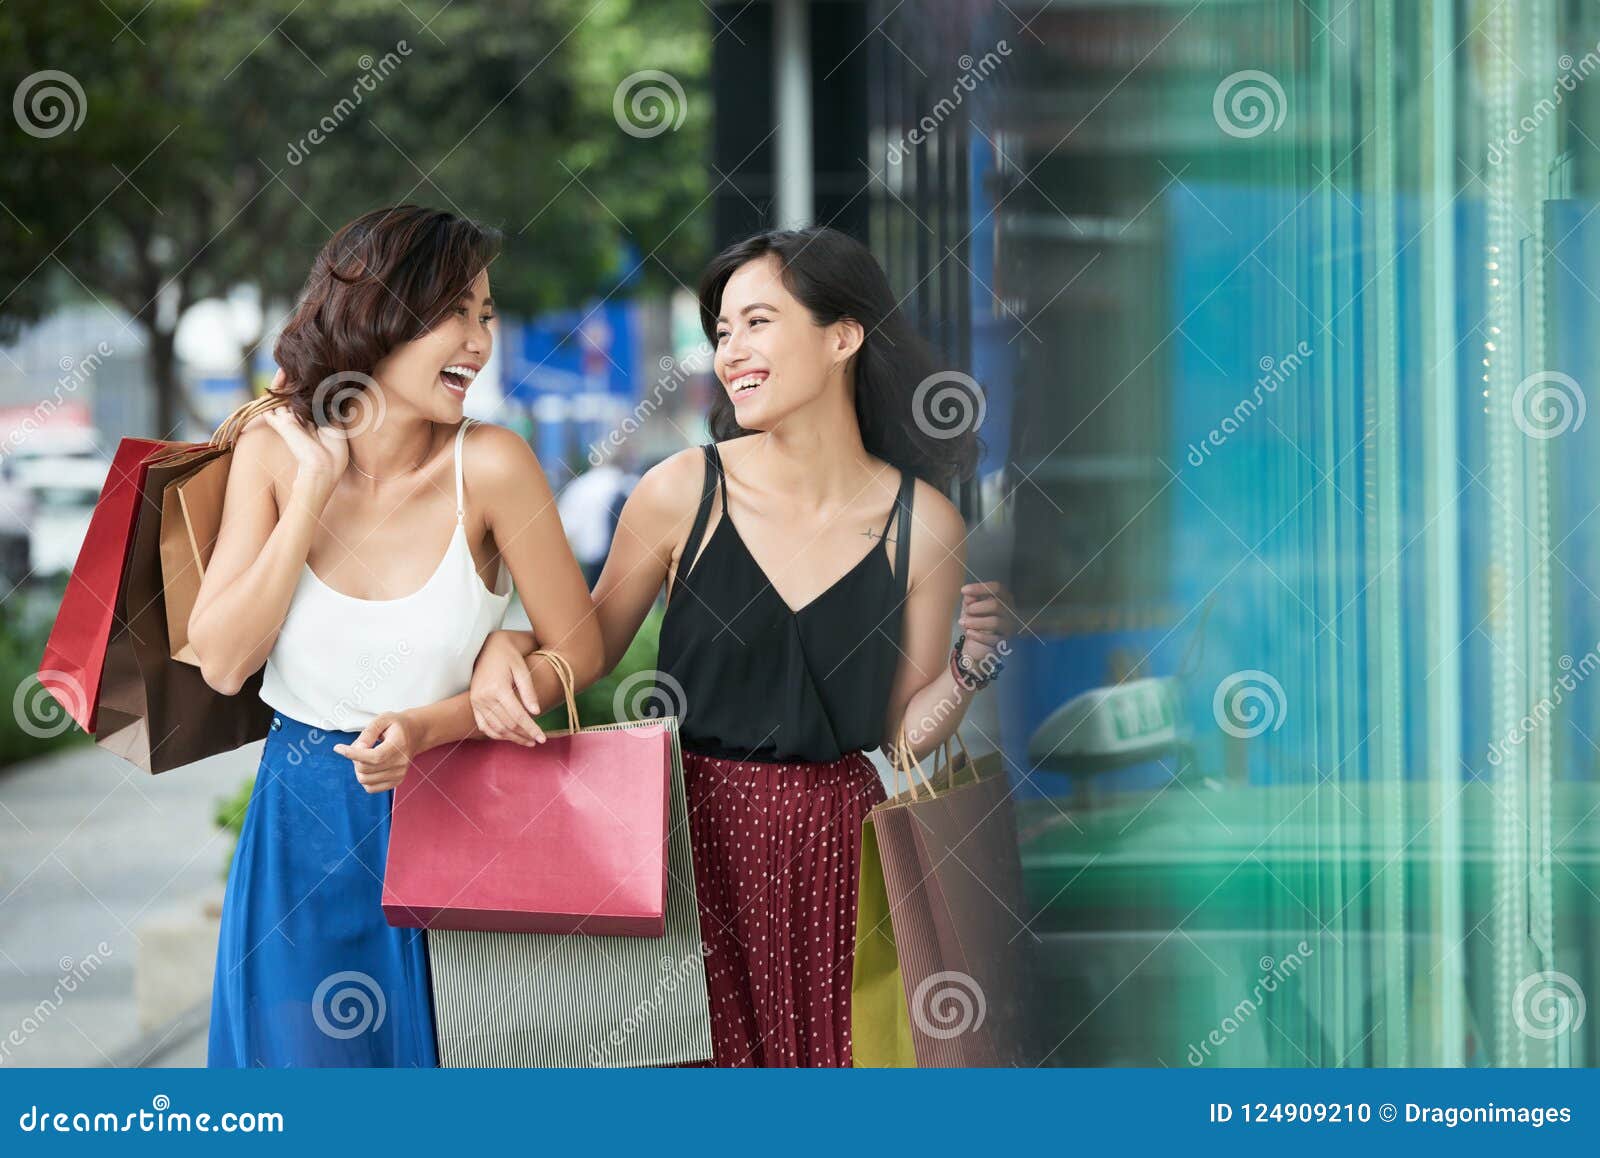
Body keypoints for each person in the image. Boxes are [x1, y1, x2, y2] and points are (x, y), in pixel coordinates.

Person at [469, 226, 1014, 1067]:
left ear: (843, 335)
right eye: (723, 331)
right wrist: (502, 655)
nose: (731, 352)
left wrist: (971, 667)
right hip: (683, 846)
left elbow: (905, 734)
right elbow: (585, 651)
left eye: (757, 323)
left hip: (838, 851)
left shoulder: (925, 526)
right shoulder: (681, 491)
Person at [189, 205, 602, 1067]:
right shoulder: (274, 451)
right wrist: (308, 495)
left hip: (463, 822)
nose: (479, 341)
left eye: (486, 315)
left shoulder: (492, 465)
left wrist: (464, 697)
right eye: (455, 310)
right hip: (302, 831)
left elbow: (583, 649)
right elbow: (224, 662)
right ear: (378, 311)